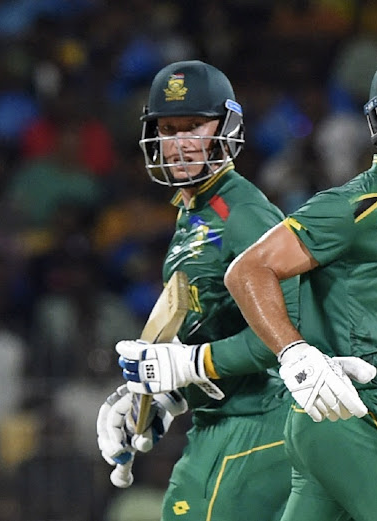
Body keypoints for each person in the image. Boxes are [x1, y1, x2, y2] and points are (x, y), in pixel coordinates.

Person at [223, 49, 377, 520]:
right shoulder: (354, 205)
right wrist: (295, 355)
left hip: (373, 414)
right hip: (346, 411)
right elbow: (246, 271)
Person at [96, 60, 304, 521]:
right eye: (168, 128)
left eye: (194, 126)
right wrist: (160, 396)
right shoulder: (193, 213)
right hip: (223, 423)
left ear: (226, 129)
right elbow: (211, 328)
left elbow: (291, 338)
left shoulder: (243, 213)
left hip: (262, 422)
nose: (180, 143)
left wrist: (187, 365)